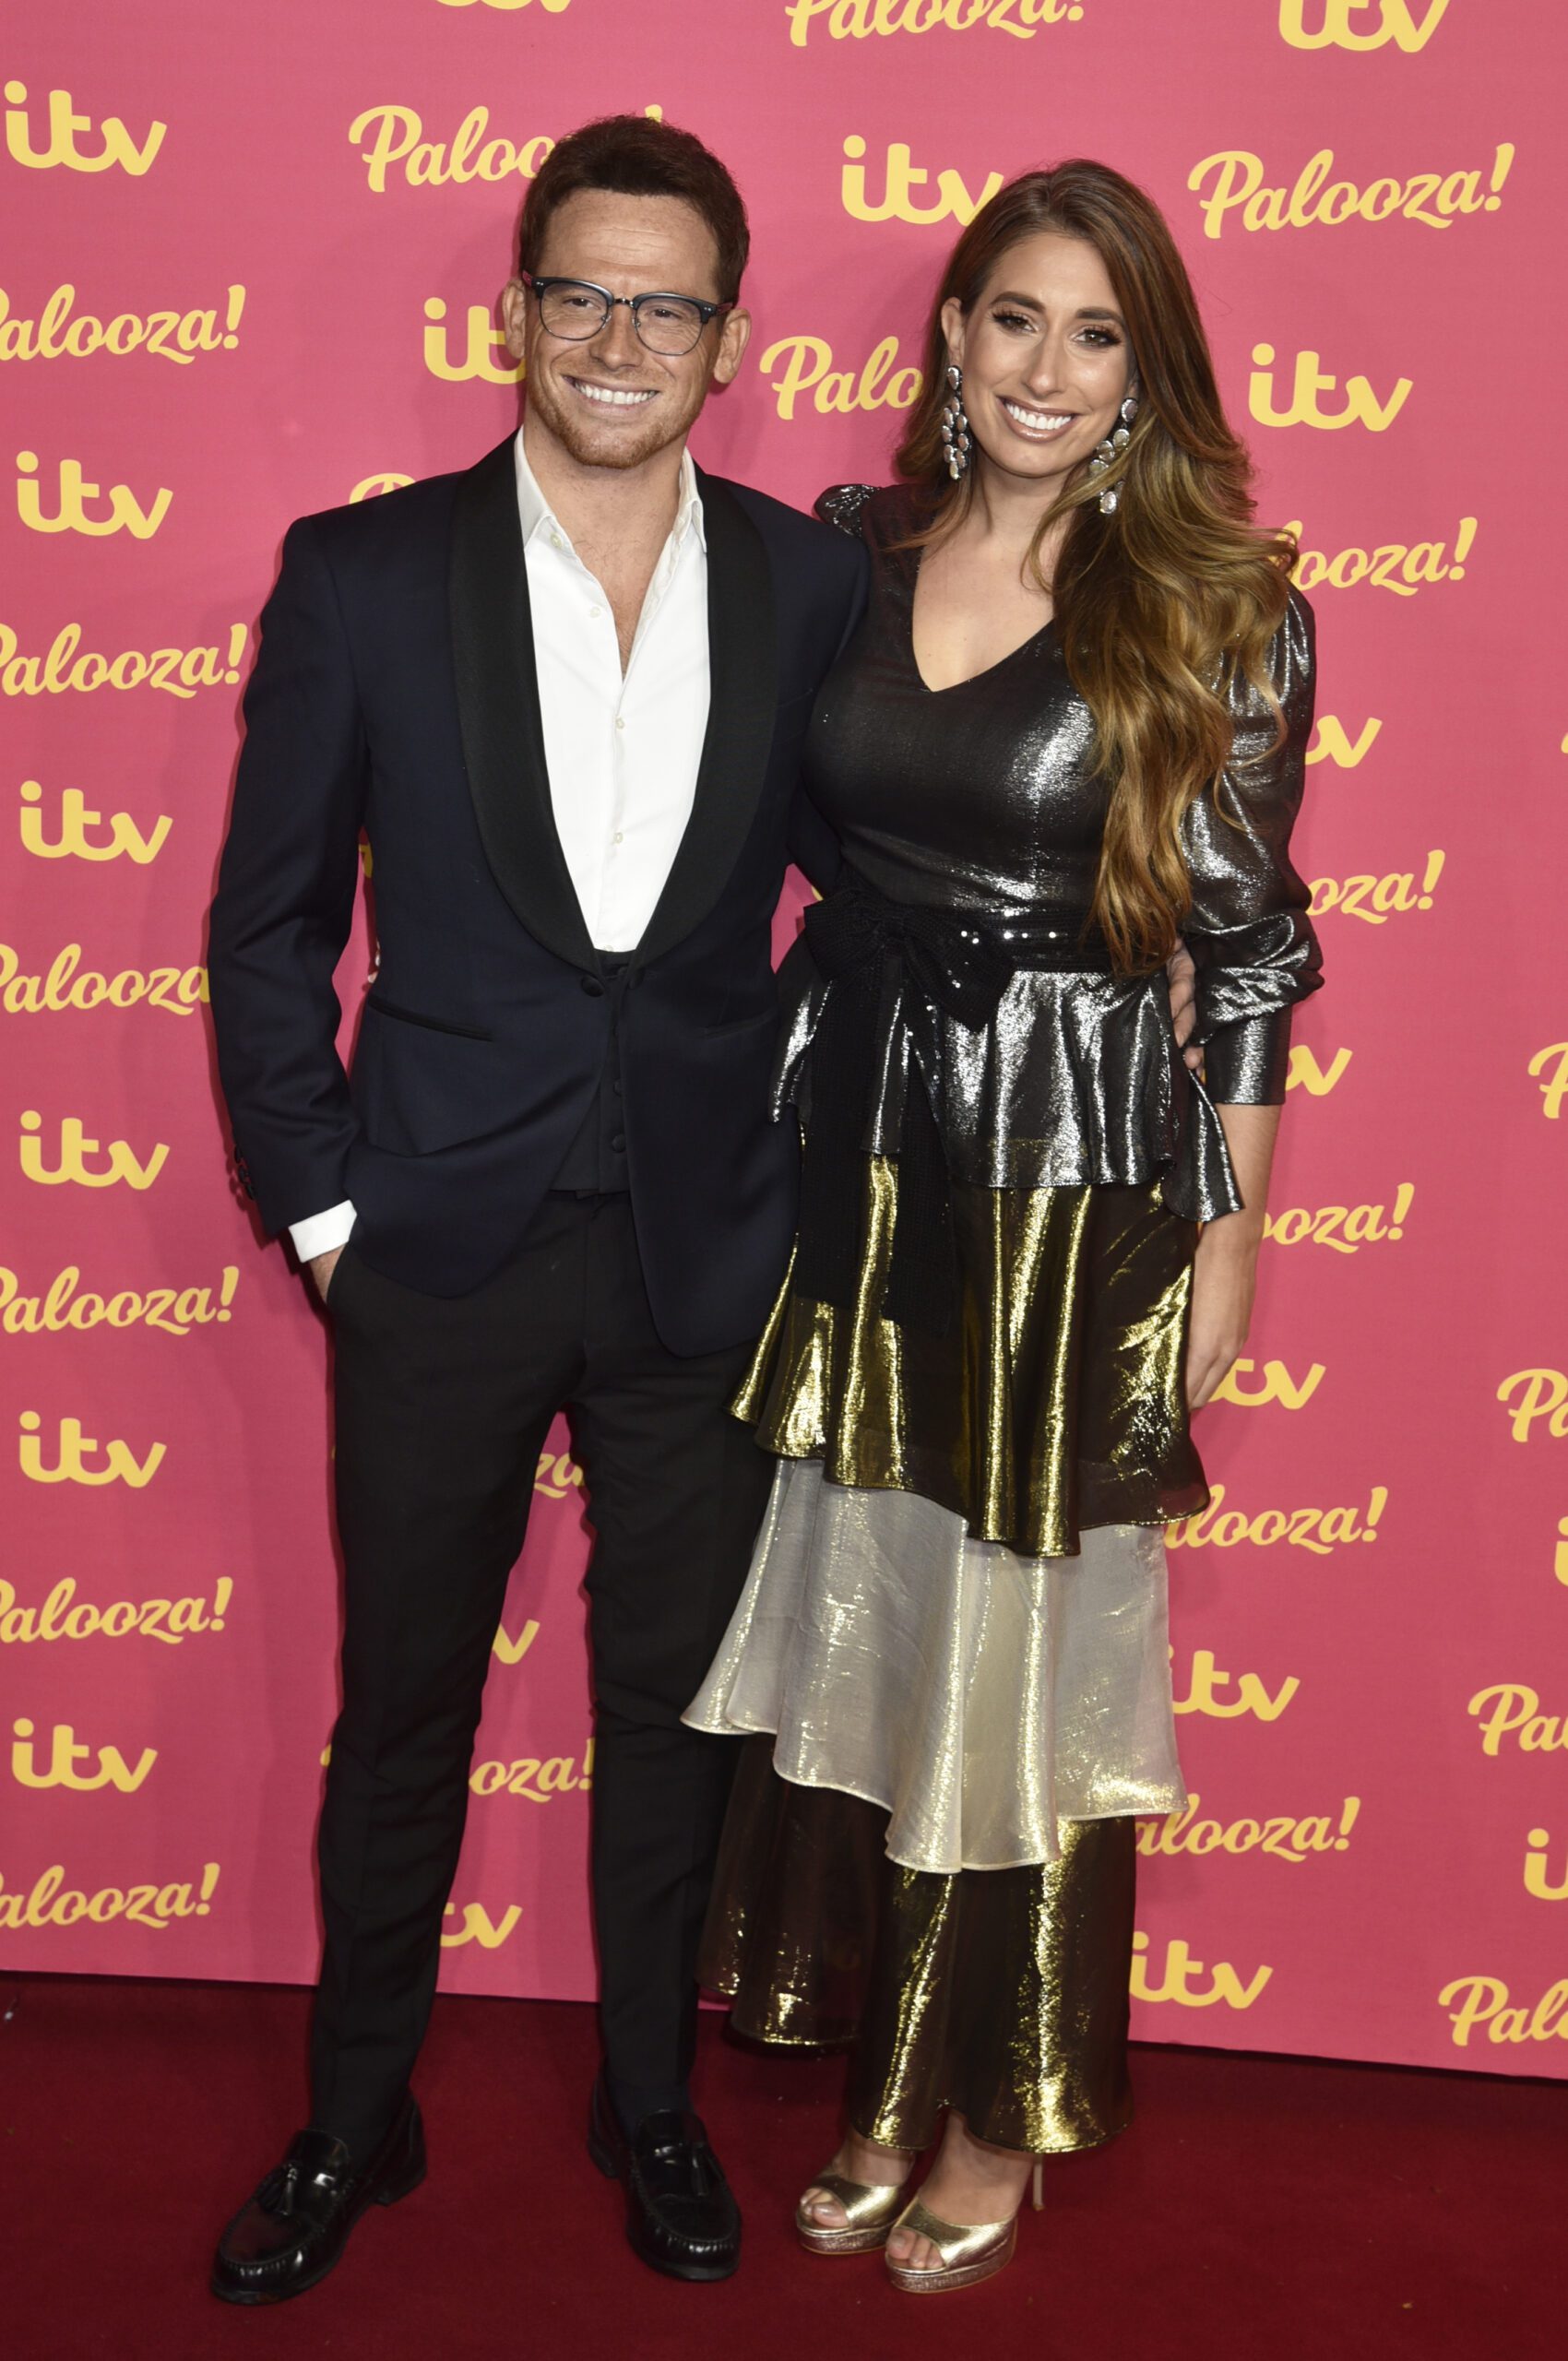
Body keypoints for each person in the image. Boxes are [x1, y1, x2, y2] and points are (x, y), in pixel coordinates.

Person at [205, 113, 870, 2300]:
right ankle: (350, 2109)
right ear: (514, 313)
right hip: (435, 1252)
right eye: (577, 291)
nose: (615, 335)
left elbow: (867, 910)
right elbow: (269, 926)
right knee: (403, 1704)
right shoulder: (362, 573)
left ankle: (646, 2098)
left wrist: (783, 1141)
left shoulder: (810, 581)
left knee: (672, 1709)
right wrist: (321, 1217)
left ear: (731, 340)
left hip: (700, 1257)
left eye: (663, 302)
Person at [685, 159, 1322, 2295]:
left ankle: (995, 2100)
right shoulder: (842, 568)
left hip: (1073, 1165)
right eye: (1010, 319)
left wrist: (1227, 1235)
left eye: (1092, 333)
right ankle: (884, 2059)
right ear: (947, 339)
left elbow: (1238, 954)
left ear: (1141, 371)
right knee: (869, 1621)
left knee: (1015, 1652)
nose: (1044, 369)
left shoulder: (1220, 602)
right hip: (855, 1141)